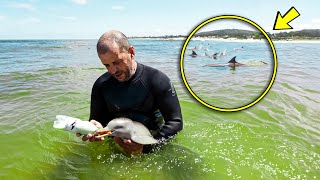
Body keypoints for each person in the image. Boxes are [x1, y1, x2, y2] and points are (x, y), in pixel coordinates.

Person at [78, 30, 183, 155]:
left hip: (153, 142)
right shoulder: (101, 86)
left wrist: (146, 149)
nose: (112, 70)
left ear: (131, 52)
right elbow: (98, 121)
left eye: (117, 62)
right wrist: (94, 130)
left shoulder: (157, 80)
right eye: (106, 65)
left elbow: (175, 122)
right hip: (117, 144)